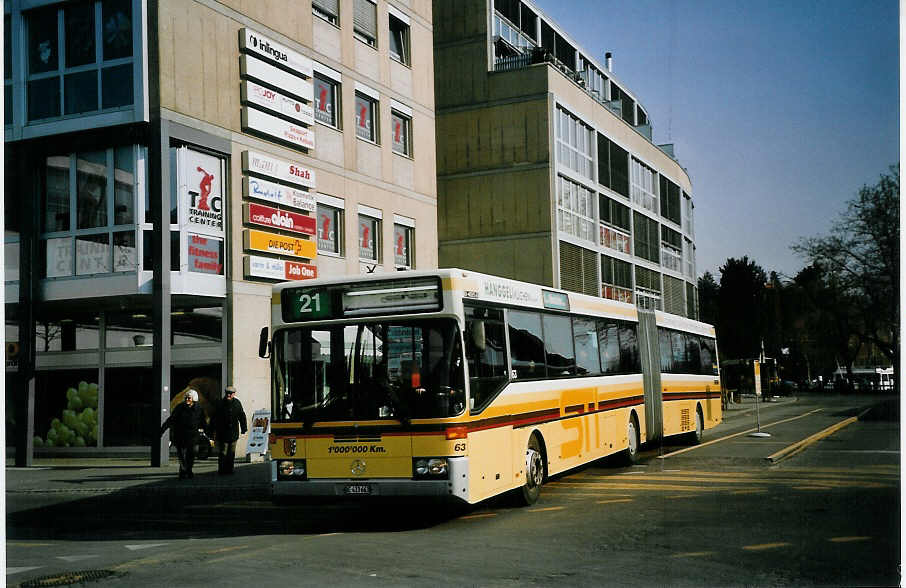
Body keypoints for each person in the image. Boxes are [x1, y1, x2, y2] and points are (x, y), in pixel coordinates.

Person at [160, 389, 204, 479]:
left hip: (193, 436)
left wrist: (208, 431)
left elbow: (203, 421)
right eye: (186, 398)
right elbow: (171, 419)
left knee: (192, 454)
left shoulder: (199, 409)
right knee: (182, 455)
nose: (187, 399)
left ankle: (188, 469)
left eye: (189, 398)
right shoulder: (179, 407)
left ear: (194, 399)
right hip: (181, 435)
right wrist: (162, 429)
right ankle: (184, 471)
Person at [213, 385, 248, 475]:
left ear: (234, 394)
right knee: (223, 452)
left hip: (233, 432)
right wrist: (212, 430)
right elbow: (214, 418)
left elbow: (242, 416)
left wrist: (244, 428)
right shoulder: (220, 403)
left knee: (231, 453)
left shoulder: (237, 403)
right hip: (222, 433)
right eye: (227, 393)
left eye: (230, 393)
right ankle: (222, 470)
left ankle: (230, 469)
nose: (229, 395)